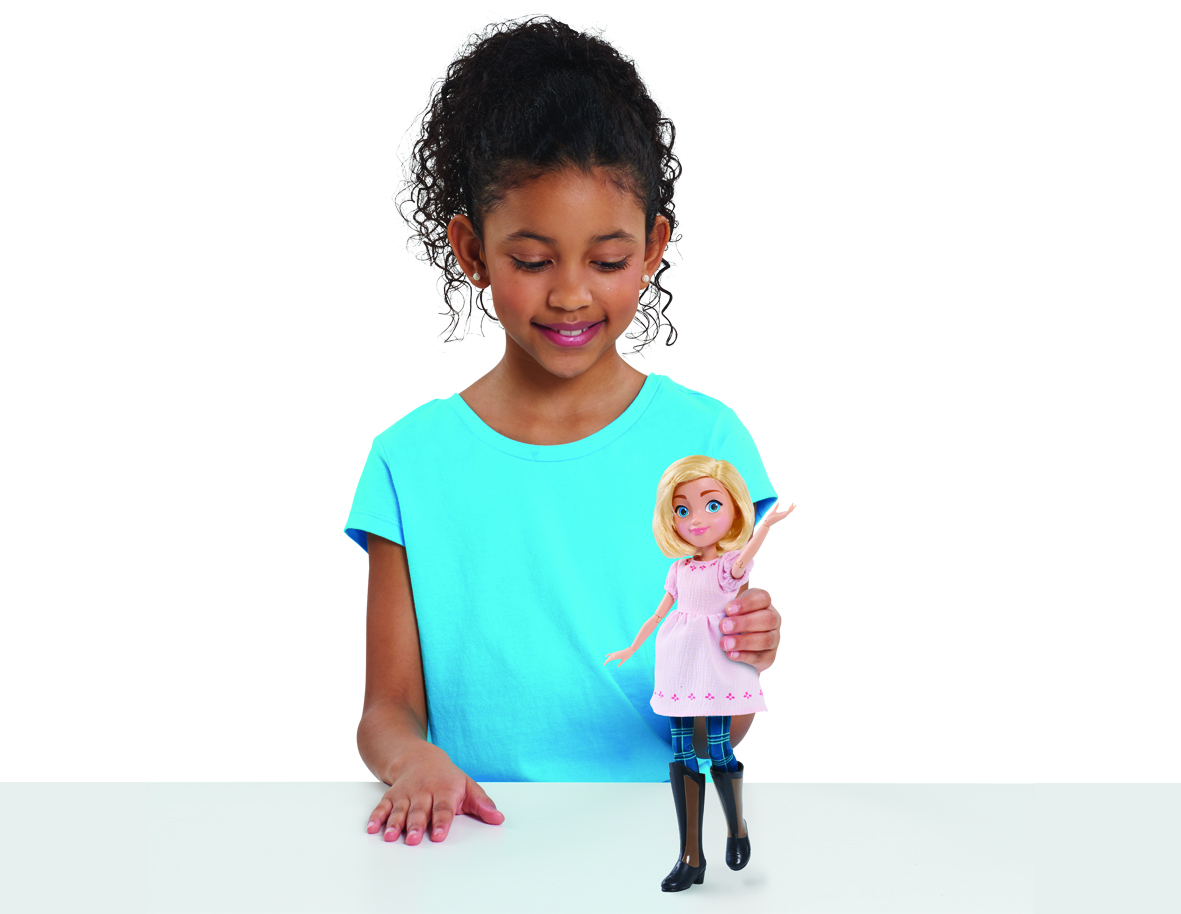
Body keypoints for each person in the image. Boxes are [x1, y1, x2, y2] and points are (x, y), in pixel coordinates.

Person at [345, 17, 784, 847]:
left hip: (653, 844)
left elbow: (714, 729)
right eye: (533, 260)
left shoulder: (708, 440)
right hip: (471, 846)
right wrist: (413, 761)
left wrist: (737, 660)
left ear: (652, 249)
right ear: (472, 251)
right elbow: (386, 710)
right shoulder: (409, 462)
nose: (571, 294)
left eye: (607, 261)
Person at [605, 456, 794, 890]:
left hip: (716, 663)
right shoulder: (678, 569)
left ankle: (736, 827)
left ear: (734, 510)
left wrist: (767, 525)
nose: (696, 519)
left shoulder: (727, 568)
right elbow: (658, 614)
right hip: (678, 661)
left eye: (712, 505)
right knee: (681, 750)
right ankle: (691, 856)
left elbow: (747, 555)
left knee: (719, 747)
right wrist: (632, 647)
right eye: (682, 508)